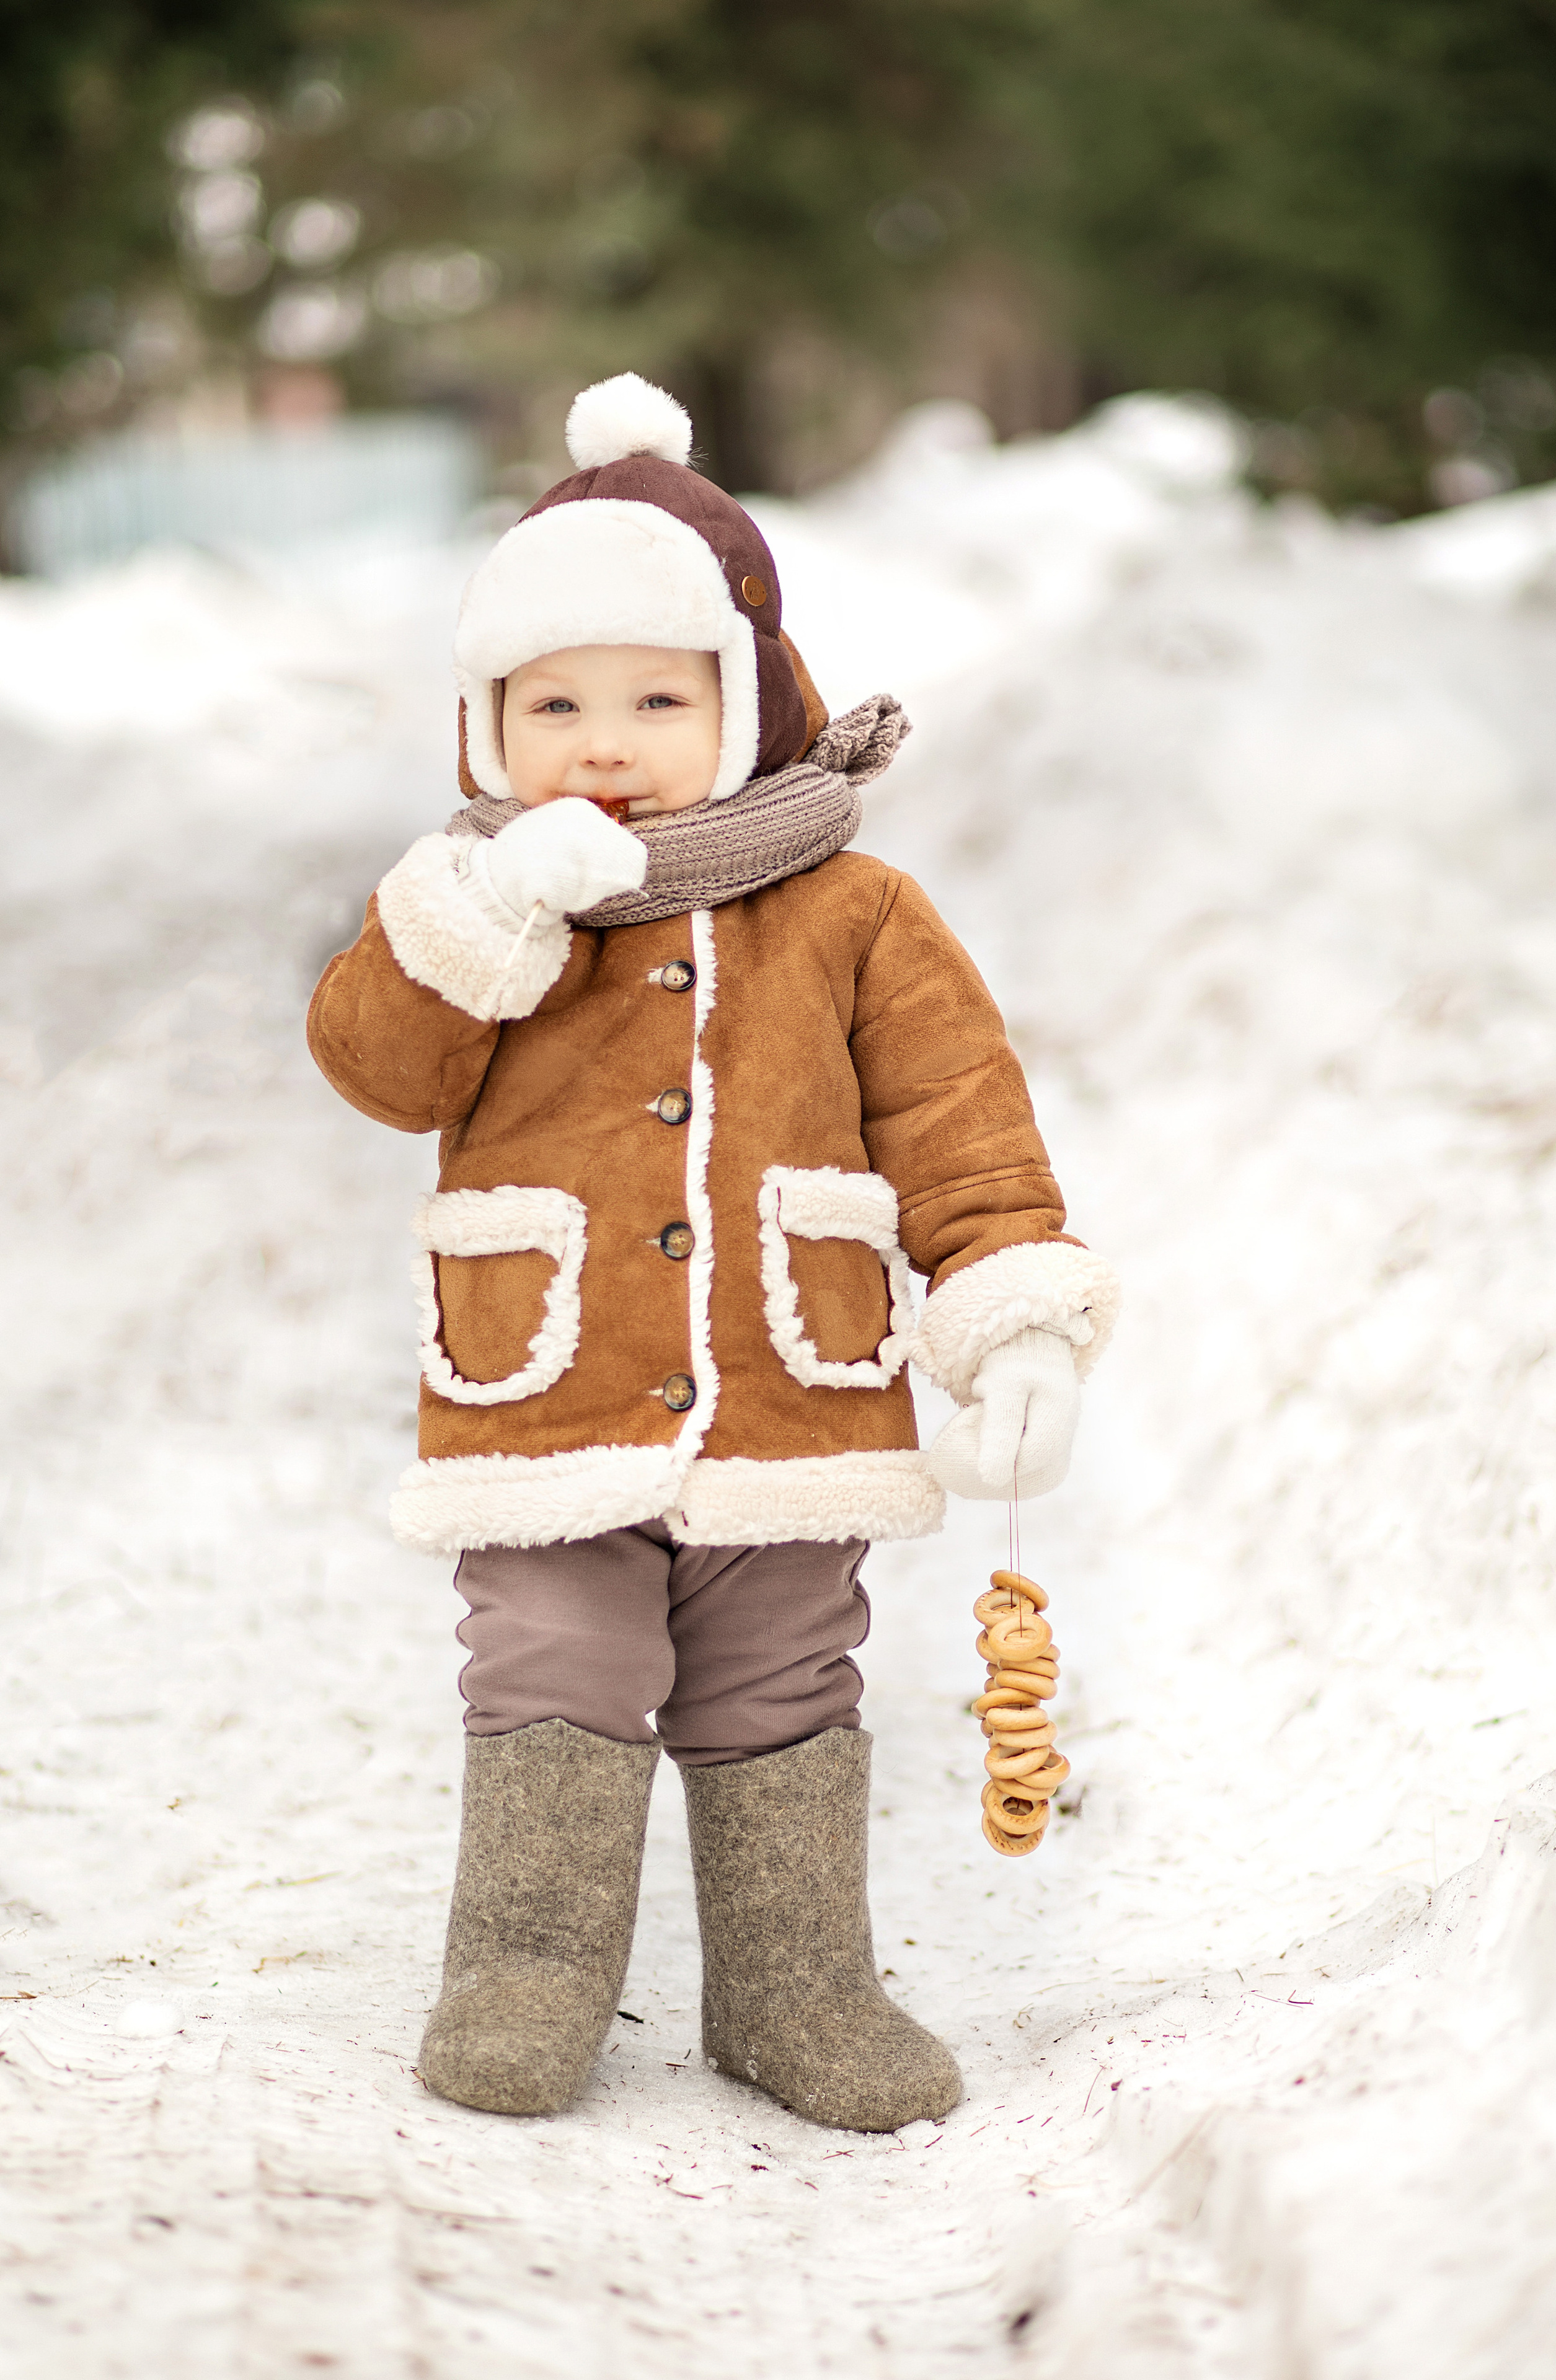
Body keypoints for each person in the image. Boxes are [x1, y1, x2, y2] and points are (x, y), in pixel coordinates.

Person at [307, 372, 1119, 2131]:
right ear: (486, 727)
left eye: (657, 699)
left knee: (780, 1675)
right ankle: (526, 1976)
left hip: (787, 1394)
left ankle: (796, 1990)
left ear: (742, 701)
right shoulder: (466, 902)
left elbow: (960, 1124)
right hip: (550, 1391)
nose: (603, 743)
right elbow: (377, 1070)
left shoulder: (851, 913)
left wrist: (1012, 1322)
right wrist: (488, 917)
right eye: (556, 704)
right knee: (554, 1663)